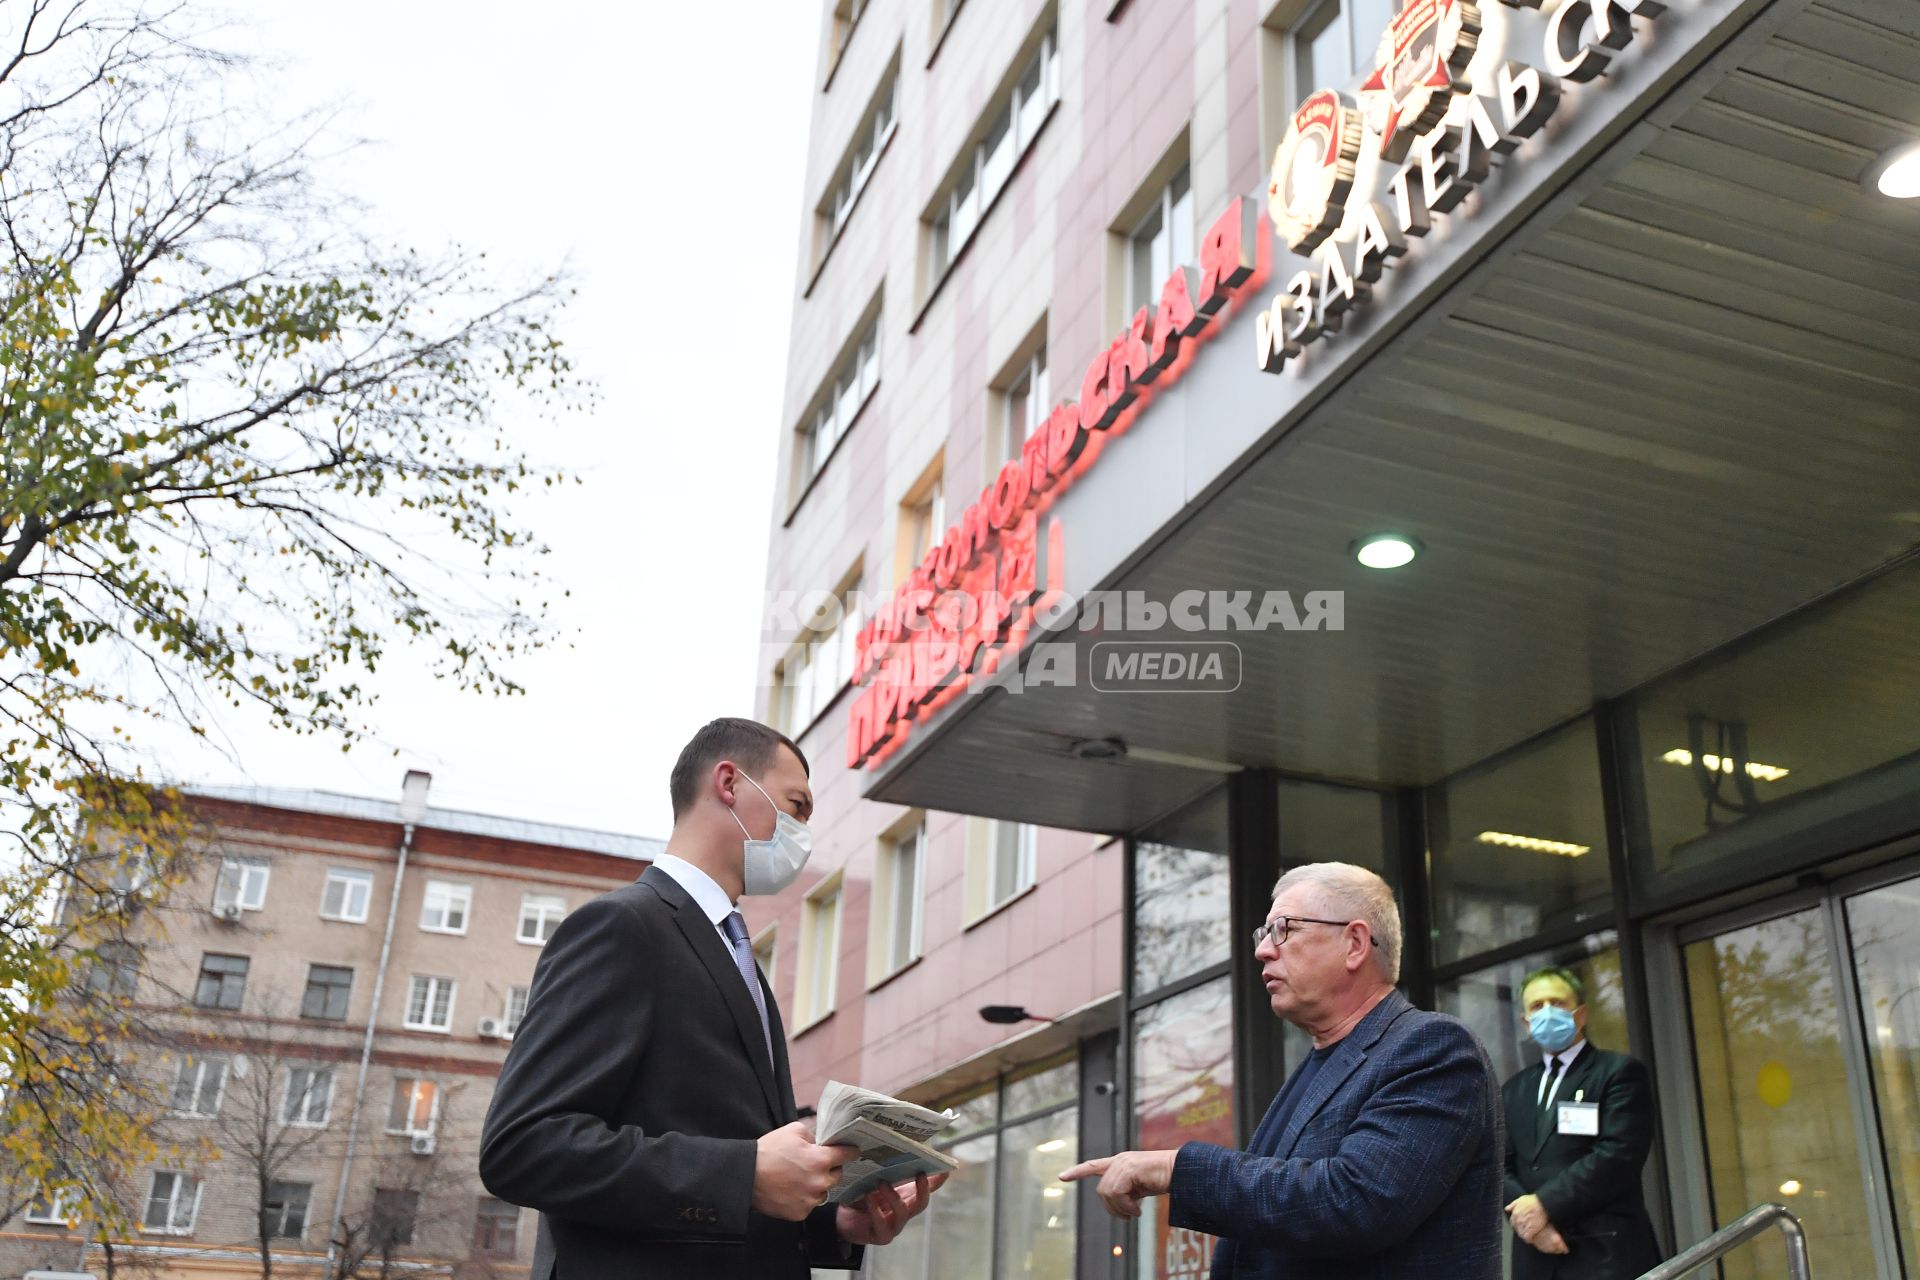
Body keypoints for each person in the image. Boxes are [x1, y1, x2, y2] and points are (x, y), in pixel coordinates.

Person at [479, 717, 942, 1280]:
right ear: (729, 783)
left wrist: (833, 1222)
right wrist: (743, 1173)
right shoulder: (623, 927)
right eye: (797, 805)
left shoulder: (733, 951)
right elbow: (523, 1146)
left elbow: (738, 1169)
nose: (804, 832)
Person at [1060, 862, 1503, 1280]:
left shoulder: (1433, 1048)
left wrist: (1178, 1169)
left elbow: (1355, 1202)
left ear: (1354, 943)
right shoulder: (1322, 1061)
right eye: (1264, 932)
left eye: (1283, 929)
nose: (1262, 950)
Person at [1502, 966, 1662, 1279]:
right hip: (1535, 1258)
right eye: (1537, 1006)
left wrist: (1544, 1206)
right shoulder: (1513, 1089)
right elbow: (1497, 1166)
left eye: (1558, 1003)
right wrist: (1532, 1226)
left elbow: (1618, 1156)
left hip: (1604, 1255)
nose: (1547, 1012)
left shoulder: (1617, 1073)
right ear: (1526, 1022)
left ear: (1581, 1014)